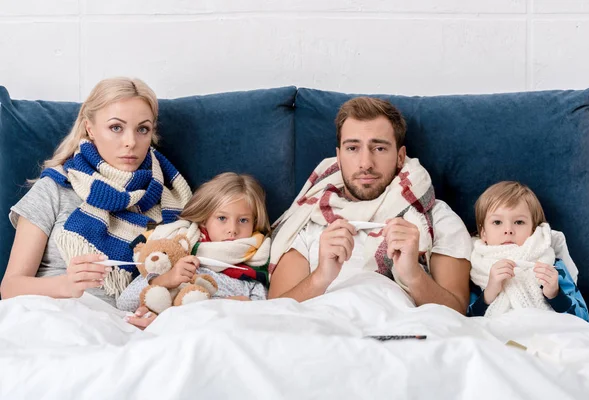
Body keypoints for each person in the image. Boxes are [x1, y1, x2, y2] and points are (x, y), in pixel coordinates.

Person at [267, 97, 472, 314]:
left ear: (400, 157)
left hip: (401, 334)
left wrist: (413, 275)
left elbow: (457, 313)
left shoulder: (436, 216)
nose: (366, 163)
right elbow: (273, 313)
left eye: (380, 148)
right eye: (353, 148)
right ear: (338, 157)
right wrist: (321, 276)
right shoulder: (307, 218)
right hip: (325, 329)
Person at [0, 77, 192, 307]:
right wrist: (66, 285)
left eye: (143, 129)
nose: (131, 142)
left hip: (127, 324)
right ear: (89, 129)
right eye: (116, 127)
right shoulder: (55, 187)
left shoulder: (169, 198)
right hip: (56, 314)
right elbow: (10, 287)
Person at [120, 172, 271, 328]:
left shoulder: (251, 275)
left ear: (254, 223)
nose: (232, 229)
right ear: (205, 220)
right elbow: (124, 302)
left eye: (243, 220)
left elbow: (262, 318)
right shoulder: (181, 258)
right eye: (222, 218)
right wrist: (166, 280)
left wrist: (227, 305)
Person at [468, 181, 589, 322]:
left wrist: (555, 295)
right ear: (483, 233)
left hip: (546, 335)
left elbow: (584, 320)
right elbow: (464, 322)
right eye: (497, 222)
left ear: (533, 230)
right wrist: (489, 293)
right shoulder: (475, 269)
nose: (508, 230)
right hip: (497, 337)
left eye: (519, 222)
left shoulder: (553, 266)